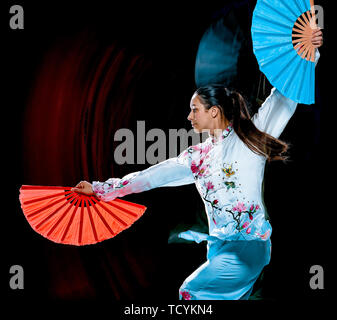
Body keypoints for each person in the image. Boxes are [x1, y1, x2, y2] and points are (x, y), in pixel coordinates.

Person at [72, 29, 323, 300]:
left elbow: (284, 98)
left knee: (190, 293)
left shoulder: (250, 138)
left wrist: (307, 53)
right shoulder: (196, 157)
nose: (189, 116)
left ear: (213, 111)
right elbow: (150, 177)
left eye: (195, 109)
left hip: (250, 248)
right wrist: (100, 189)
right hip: (217, 250)